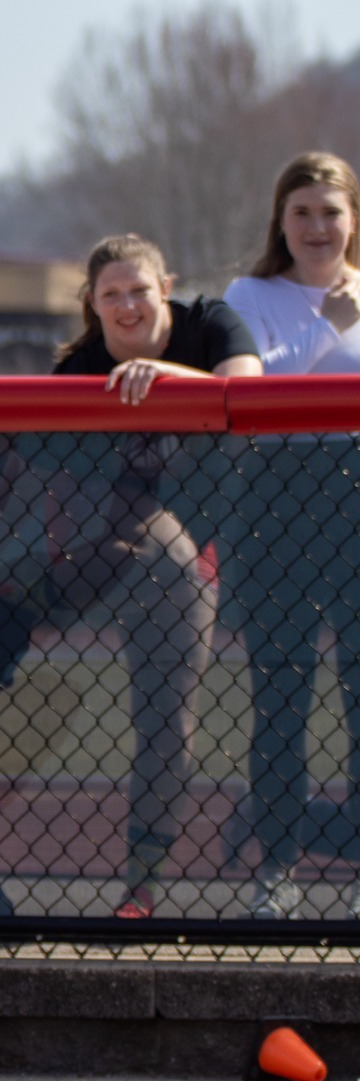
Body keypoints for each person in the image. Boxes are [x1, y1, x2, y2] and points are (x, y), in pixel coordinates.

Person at [0, 234, 260, 919]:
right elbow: (26, 487)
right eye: (110, 296)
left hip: (188, 560)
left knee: (165, 713)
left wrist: (164, 379)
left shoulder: (210, 324)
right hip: (87, 561)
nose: (127, 306)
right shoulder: (78, 370)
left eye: (140, 291)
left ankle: (143, 883)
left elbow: (246, 391)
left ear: (167, 288)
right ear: (92, 306)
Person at [221, 151, 360, 918]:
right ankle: (274, 871)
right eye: (302, 211)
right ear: (281, 220)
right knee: (282, 693)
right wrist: (327, 325)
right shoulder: (252, 294)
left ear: (353, 219)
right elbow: (251, 392)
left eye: (331, 211)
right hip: (276, 500)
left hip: (357, 495)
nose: (317, 226)